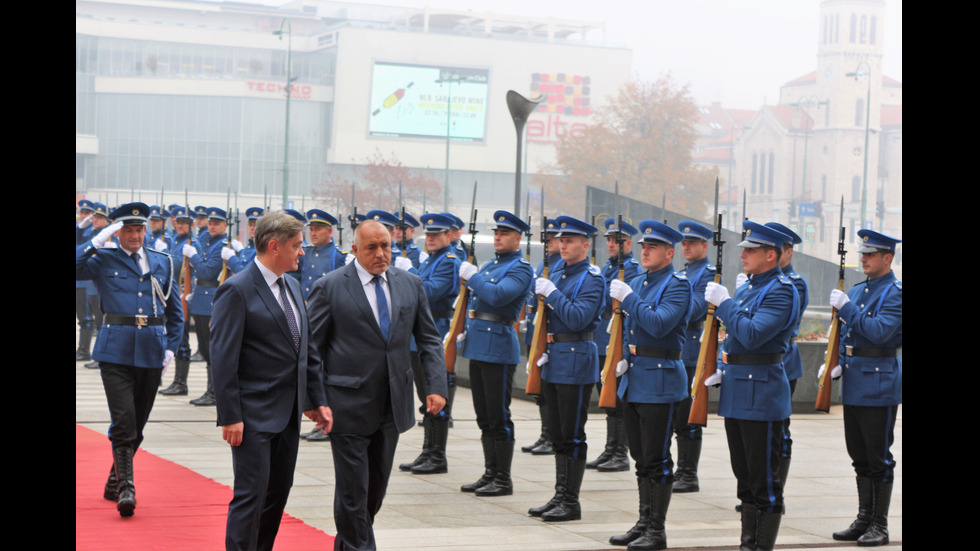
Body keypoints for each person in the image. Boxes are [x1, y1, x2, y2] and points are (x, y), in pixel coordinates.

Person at [307, 219, 448, 551]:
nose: (381, 253)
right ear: (355, 250)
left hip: (392, 404)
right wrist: (314, 398)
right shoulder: (330, 286)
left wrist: (436, 385)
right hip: (346, 406)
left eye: (386, 245)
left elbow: (429, 340)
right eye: (372, 247)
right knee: (353, 492)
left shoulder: (410, 284)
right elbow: (310, 349)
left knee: (373, 493)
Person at [207, 210, 331, 551]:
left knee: (277, 495)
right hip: (252, 416)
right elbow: (222, 359)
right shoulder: (237, 290)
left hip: (288, 414)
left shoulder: (291, 284)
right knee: (251, 496)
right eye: (296, 246)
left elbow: (305, 350)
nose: (302, 252)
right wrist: (230, 415)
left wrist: (315, 400)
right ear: (274, 246)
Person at [76, 202, 183, 517]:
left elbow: (175, 313)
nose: (135, 235)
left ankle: (114, 479)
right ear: (116, 231)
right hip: (115, 349)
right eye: (127, 229)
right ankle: (127, 488)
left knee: (137, 424)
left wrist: (170, 348)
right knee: (123, 422)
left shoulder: (162, 261)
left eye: (139, 229)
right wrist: (94, 241)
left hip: (151, 349)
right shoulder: (103, 258)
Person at [703, 221, 798, 551]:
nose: (742, 253)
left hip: (762, 394)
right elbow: (731, 338)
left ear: (771, 255)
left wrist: (725, 303)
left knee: (764, 481)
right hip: (738, 391)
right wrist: (718, 366)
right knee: (744, 476)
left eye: (751, 249)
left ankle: (761, 546)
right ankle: (748, 544)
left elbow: (754, 334)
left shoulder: (782, 290)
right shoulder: (748, 288)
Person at [607, 220, 691, 550]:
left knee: (657, 457)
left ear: (670, 253)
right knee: (640, 456)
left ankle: (657, 529)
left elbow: (658, 324)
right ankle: (643, 521)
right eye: (643, 246)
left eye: (652, 247)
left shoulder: (677, 285)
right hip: (636, 375)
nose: (644, 251)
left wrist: (629, 299)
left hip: (661, 378)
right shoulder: (640, 281)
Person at [827, 229, 901, 547]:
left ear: (888, 257)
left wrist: (847, 309)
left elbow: (879, 331)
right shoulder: (857, 291)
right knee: (858, 454)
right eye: (863, 254)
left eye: (871, 254)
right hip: (856, 378)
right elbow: (847, 334)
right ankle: (864, 518)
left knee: (877, 455)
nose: (864, 258)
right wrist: (839, 360)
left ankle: (879, 525)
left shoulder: (896, 293)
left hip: (880, 381)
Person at [528, 215, 604, 522]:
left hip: (576, 358)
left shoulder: (592, 279)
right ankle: (560, 494)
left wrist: (553, 294)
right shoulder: (557, 271)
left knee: (572, 433)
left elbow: (577, 318)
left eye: (569, 241)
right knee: (557, 433)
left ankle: (571, 501)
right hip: (555, 356)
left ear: (585, 245)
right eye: (560, 240)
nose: (562, 245)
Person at [456, 210, 534, 496]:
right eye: (496, 233)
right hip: (478, 344)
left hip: (498, 346)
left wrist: (473, 277)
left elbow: (498, 295)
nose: (498, 237)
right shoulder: (491, 264)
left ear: (517, 238)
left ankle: (503, 478)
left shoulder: (521, 268)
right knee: (484, 416)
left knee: (499, 415)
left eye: (504, 234)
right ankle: (490, 473)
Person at [397, 213, 460, 475]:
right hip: (419, 334)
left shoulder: (448, 261)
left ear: (449, 236)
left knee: (435, 394)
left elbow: (431, 290)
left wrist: (408, 270)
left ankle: (437, 455)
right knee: (425, 398)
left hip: (436, 331)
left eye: (437, 235)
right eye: (429, 235)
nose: (431, 239)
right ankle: (428, 451)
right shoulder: (431, 259)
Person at [588, 217, 641, 473]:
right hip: (602, 337)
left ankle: (620, 453)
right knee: (607, 398)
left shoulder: (630, 269)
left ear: (628, 243)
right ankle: (611, 449)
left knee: (617, 399)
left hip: (615, 337)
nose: (611, 244)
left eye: (616, 240)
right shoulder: (607, 268)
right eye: (608, 239)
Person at [672, 220, 716, 493]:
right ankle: (679, 469)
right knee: (676, 415)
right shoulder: (681, 273)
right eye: (684, 243)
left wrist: (669, 305)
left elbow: (697, 309)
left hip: (691, 352)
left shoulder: (708, 274)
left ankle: (689, 473)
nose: (686, 247)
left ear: (704, 245)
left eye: (692, 243)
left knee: (689, 416)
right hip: (676, 350)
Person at [765, 221, 808, 497]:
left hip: (784, 362)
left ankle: (775, 486)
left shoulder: (794, 284)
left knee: (780, 430)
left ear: (788, 252)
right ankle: (762, 485)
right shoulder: (759, 281)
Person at [521, 219, 562, 456]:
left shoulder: (558, 266)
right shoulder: (543, 264)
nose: (547, 242)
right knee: (539, 387)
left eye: (552, 238)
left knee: (547, 387)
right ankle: (545, 434)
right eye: (545, 238)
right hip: (536, 331)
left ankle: (551, 435)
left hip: (548, 332)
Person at [182, 207, 229, 406]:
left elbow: (207, 272)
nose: (212, 226)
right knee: (203, 347)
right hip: (200, 300)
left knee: (212, 350)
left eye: (216, 223)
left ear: (225, 226)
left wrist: (193, 257)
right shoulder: (207, 242)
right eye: (210, 223)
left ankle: (215, 392)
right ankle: (210, 390)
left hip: (211, 301)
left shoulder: (221, 246)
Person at [159, 206, 201, 396]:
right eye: (179, 222)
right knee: (175, 336)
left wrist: (165, 253)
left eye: (185, 223)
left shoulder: (193, 243)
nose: (181, 225)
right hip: (172, 293)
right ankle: (177, 380)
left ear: (191, 225)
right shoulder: (176, 241)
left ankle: (181, 383)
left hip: (184, 296)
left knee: (182, 339)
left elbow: (177, 267)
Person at [297, 209, 347, 301]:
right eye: (311, 229)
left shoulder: (340, 256)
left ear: (330, 231)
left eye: (318, 229)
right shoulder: (304, 252)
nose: (313, 233)